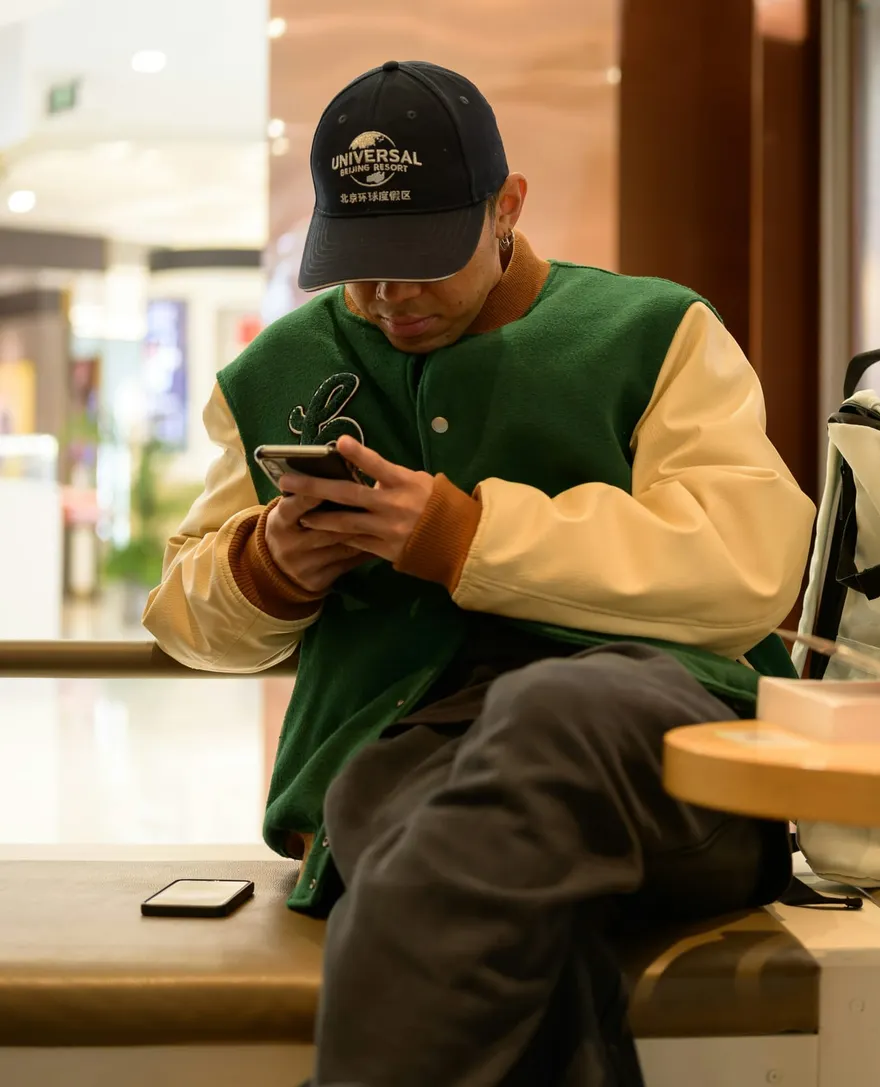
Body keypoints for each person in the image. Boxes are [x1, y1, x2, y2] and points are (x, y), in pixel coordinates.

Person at [144, 59, 814, 1087]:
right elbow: (183, 615)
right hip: (406, 764)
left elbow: (748, 563)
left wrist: (464, 538)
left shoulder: (654, 332)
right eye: (361, 265)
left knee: (538, 729)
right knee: (431, 842)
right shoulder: (278, 372)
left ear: (507, 208)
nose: (390, 295)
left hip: (663, 751)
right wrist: (266, 564)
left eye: (421, 257)